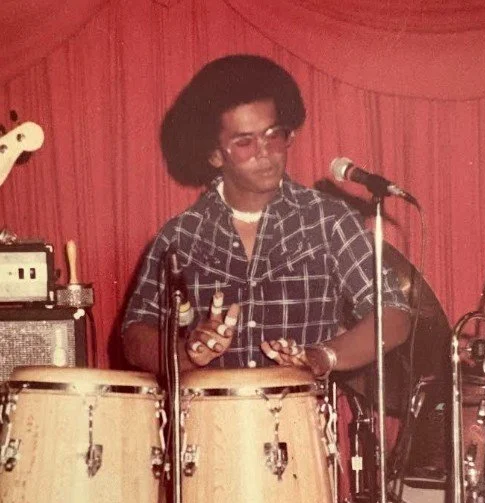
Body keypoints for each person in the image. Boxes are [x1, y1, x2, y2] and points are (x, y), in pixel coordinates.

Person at [122, 54, 411, 379]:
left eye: (273, 135)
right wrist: (187, 352)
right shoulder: (181, 235)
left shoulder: (327, 221)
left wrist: (321, 356)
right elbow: (135, 334)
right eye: (245, 142)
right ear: (215, 155)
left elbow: (394, 313)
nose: (266, 152)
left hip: (303, 409)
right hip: (206, 410)